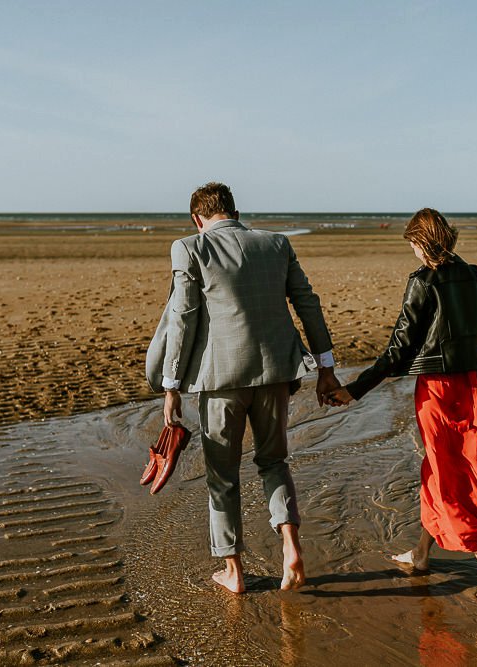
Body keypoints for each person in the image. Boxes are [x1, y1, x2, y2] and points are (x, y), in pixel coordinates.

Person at [145, 182, 341, 594]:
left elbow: (182, 318)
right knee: (273, 462)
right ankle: (290, 547)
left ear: (197, 220)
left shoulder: (190, 248)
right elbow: (308, 303)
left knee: (223, 475)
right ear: (235, 210)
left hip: (219, 380)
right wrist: (325, 366)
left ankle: (233, 572)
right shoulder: (275, 244)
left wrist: (171, 386)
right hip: (276, 373)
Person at [325, 208, 477, 602]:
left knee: (452, 475)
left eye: (413, 244)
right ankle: (420, 553)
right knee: (440, 467)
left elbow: (397, 350)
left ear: (421, 242)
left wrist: (355, 389)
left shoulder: (423, 282)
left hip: (439, 390)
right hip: (476, 384)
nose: (413, 252)